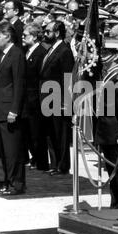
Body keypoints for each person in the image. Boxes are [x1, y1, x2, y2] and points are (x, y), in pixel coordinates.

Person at [94, 37, 118, 209]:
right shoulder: (108, 75)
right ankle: (116, 202)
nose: (103, 55)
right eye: (103, 51)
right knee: (112, 171)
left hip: (115, 130)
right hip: (106, 129)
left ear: (116, 56)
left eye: (107, 52)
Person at [0, 22, 26, 195]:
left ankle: (15, 183)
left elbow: (19, 84)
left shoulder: (16, 54)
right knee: (4, 150)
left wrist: (14, 109)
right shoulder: (2, 54)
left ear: (8, 36)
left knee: (12, 151)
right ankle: (8, 181)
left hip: (8, 110)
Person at [39, 20, 74, 176]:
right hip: (48, 98)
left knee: (60, 134)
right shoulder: (51, 49)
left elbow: (68, 78)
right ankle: (54, 163)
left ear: (57, 33)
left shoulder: (64, 51)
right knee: (50, 133)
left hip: (58, 99)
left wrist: (65, 102)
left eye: (48, 31)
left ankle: (62, 165)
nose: (45, 34)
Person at [21, 23, 49, 171]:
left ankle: (41, 162)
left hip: (35, 99)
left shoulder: (40, 52)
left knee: (37, 132)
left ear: (33, 36)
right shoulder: (27, 51)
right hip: (27, 98)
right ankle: (35, 158)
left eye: (25, 35)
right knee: (29, 131)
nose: (23, 38)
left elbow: (40, 77)